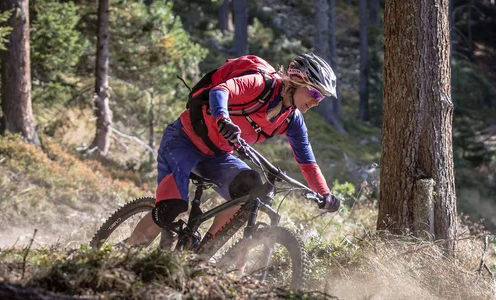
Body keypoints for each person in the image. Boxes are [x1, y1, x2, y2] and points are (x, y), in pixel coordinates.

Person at [126, 53, 341, 247]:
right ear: (297, 81)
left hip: (217, 156)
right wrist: (223, 119)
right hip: (183, 141)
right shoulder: (260, 84)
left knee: (252, 190)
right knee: (171, 208)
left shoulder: (292, 120)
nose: (315, 101)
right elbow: (222, 91)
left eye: (320, 97)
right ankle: (121, 254)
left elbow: (307, 163)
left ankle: (202, 253)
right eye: (314, 92)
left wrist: (324, 194)